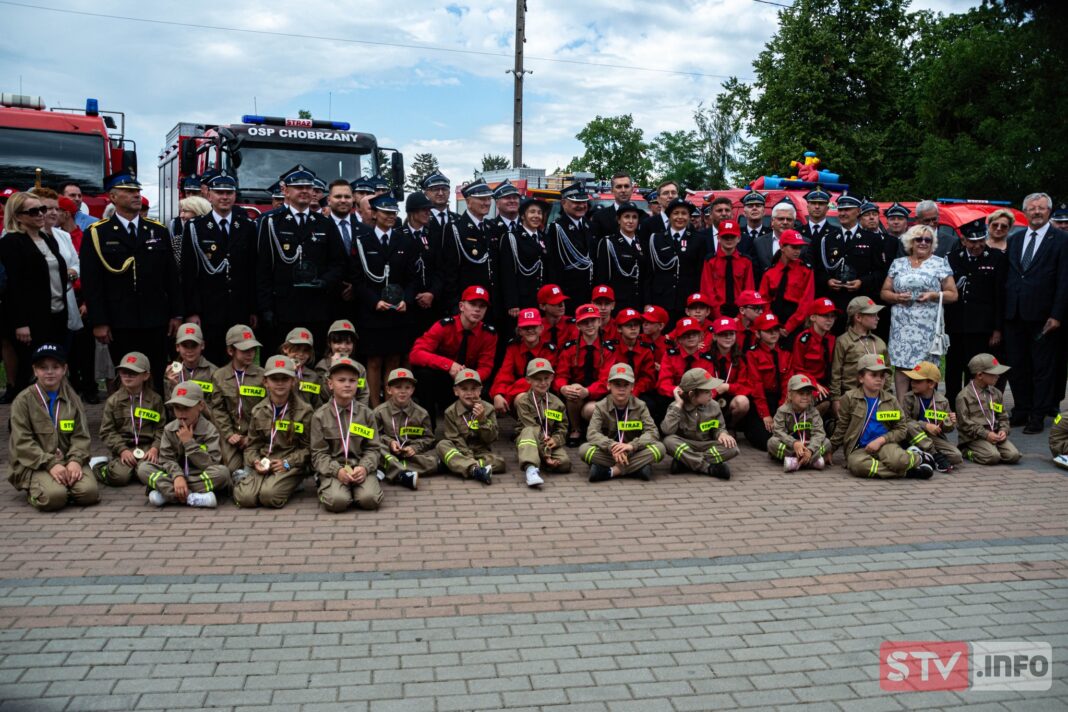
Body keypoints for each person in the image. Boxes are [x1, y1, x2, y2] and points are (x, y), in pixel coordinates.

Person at [80, 174, 181, 387]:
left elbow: (170, 276)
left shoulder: (157, 230)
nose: (136, 194)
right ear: (113, 197)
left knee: (155, 371)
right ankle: (127, 418)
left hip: (155, 317)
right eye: (128, 191)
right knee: (127, 374)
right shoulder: (98, 233)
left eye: (137, 190)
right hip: (119, 319)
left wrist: (175, 313)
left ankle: (156, 418)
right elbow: (92, 282)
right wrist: (99, 321)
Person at [256, 165, 347, 353]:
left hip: (316, 307)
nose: (305, 191)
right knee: (279, 365)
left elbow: (338, 263)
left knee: (312, 362)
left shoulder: (324, 223)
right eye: (299, 187)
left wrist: (324, 282)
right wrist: (265, 308)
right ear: (285, 191)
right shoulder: (270, 222)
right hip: (282, 307)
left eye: (308, 187)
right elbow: (261, 268)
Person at [1004, 193, 1068, 433]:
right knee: (1017, 366)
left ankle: (1038, 415)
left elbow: (1064, 280)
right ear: (1025, 212)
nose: (1037, 212)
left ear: (1049, 211)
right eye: (1032, 208)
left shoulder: (1061, 239)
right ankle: (1021, 409)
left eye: (1041, 208)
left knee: (1042, 368)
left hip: (1044, 317)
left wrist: (1058, 314)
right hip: (1015, 314)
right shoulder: (1016, 238)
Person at [8, 343, 99, 511]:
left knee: (89, 493)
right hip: (35, 464)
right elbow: (22, 442)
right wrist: (50, 464)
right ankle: (41, 489)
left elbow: (81, 436)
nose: (49, 372)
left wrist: (75, 461)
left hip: (67, 460)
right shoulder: (23, 401)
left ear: (64, 369)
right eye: (43, 368)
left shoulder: (73, 399)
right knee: (54, 498)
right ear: (35, 371)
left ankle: (63, 486)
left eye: (55, 367)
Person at [181, 173, 257, 365]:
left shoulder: (248, 226)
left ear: (235, 196)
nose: (224, 197)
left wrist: (254, 308)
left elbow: (253, 270)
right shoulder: (195, 227)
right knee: (211, 360)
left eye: (229, 193)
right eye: (219, 192)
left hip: (239, 308)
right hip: (208, 309)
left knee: (240, 359)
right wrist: (192, 311)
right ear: (209, 196)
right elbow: (188, 273)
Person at [351, 194, 419, 407]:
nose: (390, 217)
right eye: (386, 213)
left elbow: (413, 277)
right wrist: (373, 302)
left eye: (393, 213)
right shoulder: (362, 241)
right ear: (374, 214)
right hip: (373, 311)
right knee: (374, 360)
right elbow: (357, 279)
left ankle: (389, 407)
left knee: (393, 359)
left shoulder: (405, 241)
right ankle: (374, 407)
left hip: (398, 311)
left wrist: (406, 299)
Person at [0, 193, 70, 390]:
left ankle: (51, 417)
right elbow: (13, 286)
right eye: (33, 211)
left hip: (56, 314)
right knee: (28, 372)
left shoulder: (47, 238)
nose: (41, 214)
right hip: (30, 321)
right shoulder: (11, 242)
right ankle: (22, 419)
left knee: (53, 371)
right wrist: (20, 323)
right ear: (17, 216)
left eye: (42, 209)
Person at [880, 224, 959, 398]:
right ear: (910, 242)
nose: (923, 243)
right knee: (901, 367)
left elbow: (953, 294)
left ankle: (925, 410)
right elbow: (884, 292)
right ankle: (902, 410)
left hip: (927, 326)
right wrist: (896, 297)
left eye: (928, 240)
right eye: (919, 239)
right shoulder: (898, 263)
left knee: (925, 368)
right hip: (901, 324)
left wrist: (932, 295)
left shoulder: (939, 263)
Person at [827, 354, 935, 480]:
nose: (879, 379)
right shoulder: (849, 398)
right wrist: (831, 449)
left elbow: (902, 429)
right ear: (861, 378)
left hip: (885, 444)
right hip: (859, 448)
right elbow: (842, 426)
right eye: (873, 375)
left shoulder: (891, 400)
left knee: (898, 461)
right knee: (856, 465)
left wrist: (881, 440)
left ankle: (919, 457)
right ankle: (907, 473)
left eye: (882, 376)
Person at [231, 355, 313, 508]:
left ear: (293, 381)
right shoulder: (258, 411)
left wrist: (288, 463)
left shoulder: (305, 411)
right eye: (275, 379)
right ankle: (250, 479)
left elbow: (310, 449)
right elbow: (252, 446)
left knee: (269, 497)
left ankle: (293, 484)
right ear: (265, 382)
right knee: (245, 498)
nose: (280, 383)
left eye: (285, 378)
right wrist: (255, 461)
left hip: (290, 464)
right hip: (265, 463)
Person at [137, 381, 230, 508]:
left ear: (201, 406)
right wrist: (178, 477)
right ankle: (193, 497)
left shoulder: (210, 430)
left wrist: (189, 443)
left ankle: (168, 494)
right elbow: (166, 459)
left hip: (199, 475)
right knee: (143, 468)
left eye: (186, 408)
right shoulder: (169, 429)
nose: (181, 413)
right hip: (174, 477)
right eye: (177, 408)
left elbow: (211, 463)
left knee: (223, 473)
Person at [409, 285, 498, 417]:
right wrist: (449, 365)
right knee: (424, 374)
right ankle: (428, 425)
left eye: (482, 306)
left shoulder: (489, 334)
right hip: (444, 378)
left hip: (469, 382)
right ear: (461, 306)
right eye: (473, 304)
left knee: (487, 390)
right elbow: (415, 354)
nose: (477, 309)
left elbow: (486, 366)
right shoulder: (444, 326)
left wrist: (469, 377)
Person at [311, 357, 385, 512]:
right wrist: (337, 471)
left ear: (358, 384)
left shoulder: (366, 414)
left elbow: (373, 449)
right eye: (341, 380)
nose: (347, 384)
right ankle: (324, 482)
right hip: (334, 469)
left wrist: (364, 468)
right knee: (337, 503)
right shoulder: (320, 416)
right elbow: (318, 453)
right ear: (330, 384)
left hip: (359, 467)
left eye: (352, 380)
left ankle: (368, 480)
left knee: (370, 500)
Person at [945, 228, 1006, 404]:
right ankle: (953, 404)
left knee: (976, 367)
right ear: (963, 241)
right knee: (954, 367)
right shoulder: (952, 257)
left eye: (981, 241)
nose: (978, 245)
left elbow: (999, 296)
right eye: (972, 242)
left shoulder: (996, 257)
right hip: (955, 323)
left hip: (982, 326)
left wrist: (997, 329)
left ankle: (973, 404)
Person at [581, 363, 665, 483]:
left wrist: (632, 446)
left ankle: (610, 471)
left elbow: (652, 432)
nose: (622, 389)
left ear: (632, 387)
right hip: (610, 452)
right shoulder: (600, 406)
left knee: (660, 448)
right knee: (584, 450)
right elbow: (592, 433)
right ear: (609, 385)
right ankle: (637, 469)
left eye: (626, 385)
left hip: (633, 450)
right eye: (617, 384)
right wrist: (612, 446)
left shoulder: (641, 406)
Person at [91, 351, 165, 486]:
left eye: (133, 372)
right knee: (120, 477)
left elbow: (161, 428)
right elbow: (107, 431)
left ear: (146, 375)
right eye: (124, 372)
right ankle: (99, 467)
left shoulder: (155, 400)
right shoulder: (113, 401)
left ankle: (136, 469)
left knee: (146, 474)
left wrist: (155, 448)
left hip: (148, 448)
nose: (127, 375)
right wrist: (122, 450)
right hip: (124, 448)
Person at [812, 194, 887, 327]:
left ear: (858, 211)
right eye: (840, 210)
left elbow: (880, 272)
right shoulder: (827, 239)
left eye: (847, 210)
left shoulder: (872, 239)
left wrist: (862, 282)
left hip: (861, 302)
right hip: (834, 304)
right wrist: (827, 281)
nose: (843, 213)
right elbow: (818, 270)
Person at [208, 325, 266, 474]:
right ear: (230, 351)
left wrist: (251, 437)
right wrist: (228, 434)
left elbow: (267, 410)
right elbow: (218, 409)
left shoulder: (263, 376)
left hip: (255, 435)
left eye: (253, 349)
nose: (250, 353)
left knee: (257, 466)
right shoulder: (219, 376)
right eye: (245, 350)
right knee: (230, 469)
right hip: (231, 434)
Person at [661, 367, 737, 479]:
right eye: (706, 391)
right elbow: (667, 430)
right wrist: (678, 405)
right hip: (686, 444)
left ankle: (686, 463)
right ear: (692, 394)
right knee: (668, 442)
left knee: (732, 448)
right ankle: (708, 467)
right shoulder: (676, 406)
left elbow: (719, 427)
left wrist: (722, 434)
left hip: (706, 445)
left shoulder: (714, 405)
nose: (711, 394)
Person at [554, 303, 612, 445]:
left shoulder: (609, 350)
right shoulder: (570, 348)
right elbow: (560, 375)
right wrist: (563, 388)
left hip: (599, 394)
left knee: (590, 410)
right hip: (576, 395)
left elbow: (606, 381)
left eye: (593, 320)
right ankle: (575, 429)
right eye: (584, 322)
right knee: (574, 388)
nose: (589, 325)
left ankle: (597, 432)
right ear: (578, 326)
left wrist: (588, 391)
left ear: (599, 322)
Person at [436, 369, 504, 485]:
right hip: (460, 450)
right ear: (456, 391)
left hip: (480, 451)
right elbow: (454, 438)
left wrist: (482, 420)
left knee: (500, 463)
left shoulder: (488, 408)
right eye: (464, 389)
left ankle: (461, 466)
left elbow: (491, 438)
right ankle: (475, 469)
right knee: (442, 445)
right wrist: (468, 456)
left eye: (473, 389)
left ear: (480, 391)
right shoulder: (450, 412)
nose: (469, 393)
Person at [372, 368, 434, 491]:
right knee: (377, 449)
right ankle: (402, 474)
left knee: (433, 462)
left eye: (407, 387)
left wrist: (414, 448)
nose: (403, 391)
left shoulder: (422, 413)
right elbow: (374, 436)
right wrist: (390, 442)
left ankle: (386, 469)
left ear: (413, 390)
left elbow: (429, 439)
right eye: (398, 387)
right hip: (388, 452)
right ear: (389, 390)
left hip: (410, 455)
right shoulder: (379, 412)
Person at [646, 198, 705, 323]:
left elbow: (700, 273)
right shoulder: (656, 239)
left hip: (687, 300)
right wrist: (648, 302)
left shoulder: (698, 240)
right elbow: (649, 273)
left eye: (684, 213)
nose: (680, 217)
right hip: (661, 299)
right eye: (676, 213)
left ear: (689, 217)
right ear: (669, 216)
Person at [515, 358, 571, 487]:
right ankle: (530, 469)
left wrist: (556, 440)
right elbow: (531, 427)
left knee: (564, 463)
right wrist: (546, 453)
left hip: (548, 441)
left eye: (546, 378)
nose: (543, 383)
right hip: (530, 440)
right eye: (537, 379)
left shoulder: (557, 403)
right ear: (528, 380)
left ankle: (541, 461)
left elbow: (562, 427)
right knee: (529, 431)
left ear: (552, 378)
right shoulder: (523, 402)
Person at [441, 179, 497, 309]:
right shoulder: (456, 228)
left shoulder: (491, 227)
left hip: (490, 301)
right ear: (468, 202)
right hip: (468, 302)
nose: (487, 203)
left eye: (488, 199)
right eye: (481, 199)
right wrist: (455, 305)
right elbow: (450, 271)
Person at [955, 354, 1020, 465]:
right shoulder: (964, 396)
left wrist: (1003, 430)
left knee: (1013, 456)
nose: (998, 376)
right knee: (992, 457)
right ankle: (966, 451)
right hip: (974, 437)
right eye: (994, 374)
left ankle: (991, 449)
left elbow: (1003, 416)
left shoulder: (996, 393)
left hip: (994, 434)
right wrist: (986, 434)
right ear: (980, 375)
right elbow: (964, 423)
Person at [491, 308, 555, 413]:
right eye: (525, 328)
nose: (530, 330)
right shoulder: (513, 347)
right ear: (519, 331)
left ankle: (540, 427)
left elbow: (538, 380)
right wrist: (498, 394)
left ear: (541, 328)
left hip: (545, 393)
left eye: (533, 327)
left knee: (524, 398)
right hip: (521, 394)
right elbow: (505, 373)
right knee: (521, 398)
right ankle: (529, 428)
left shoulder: (548, 350)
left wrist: (507, 394)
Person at [830, 297, 889, 414]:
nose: (878, 318)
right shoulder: (843, 341)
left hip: (877, 399)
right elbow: (835, 373)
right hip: (851, 399)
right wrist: (835, 400)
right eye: (873, 314)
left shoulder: (880, 343)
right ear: (858, 317)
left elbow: (887, 373)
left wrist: (886, 395)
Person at [900, 361, 961, 473]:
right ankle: (935, 456)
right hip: (914, 434)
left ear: (931, 384)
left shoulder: (942, 401)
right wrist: (926, 425)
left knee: (956, 456)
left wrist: (950, 422)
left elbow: (948, 429)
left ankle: (923, 456)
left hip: (933, 438)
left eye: (918, 381)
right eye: (912, 380)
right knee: (909, 425)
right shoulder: (908, 397)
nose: (913, 383)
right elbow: (905, 421)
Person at [743, 312, 791, 451]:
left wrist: (781, 412)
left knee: (791, 432)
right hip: (761, 402)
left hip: (781, 401)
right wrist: (766, 415)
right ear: (758, 334)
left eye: (775, 330)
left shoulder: (786, 353)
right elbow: (756, 385)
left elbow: (787, 384)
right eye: (768, 331)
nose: (773, 333)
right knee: (764, 439)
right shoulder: (752, 354)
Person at [545, 182, 596, 308]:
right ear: (563, 203)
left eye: (584, 202)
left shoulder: (589, 226)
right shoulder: (556, 228)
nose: (581, 206)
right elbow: (553, 266)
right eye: (576, 203)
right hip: (567, 293)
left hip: (588, 292)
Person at [499, 197, 550, 322]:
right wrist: (512, 302)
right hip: (522, 299)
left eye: (539, 213)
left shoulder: (545, 238)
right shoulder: (512, 238)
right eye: (532, 212)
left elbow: (549, 269)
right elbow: (507, 272)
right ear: (522, 215)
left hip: (541, 299)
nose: (536, 216)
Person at [759, 228, 814, 337]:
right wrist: (771, 323)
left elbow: (806, 303)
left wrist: (789, 327)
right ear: (782, 247)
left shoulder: (806, 271)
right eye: (793, 247)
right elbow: (764, 300)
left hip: (795, 321)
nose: (797, 251)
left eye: (799, 248)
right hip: (772, 320)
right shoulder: (770, 272)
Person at [767, 374, 829, 472]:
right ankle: (811, 462)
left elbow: (819, 433)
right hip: (790, 446)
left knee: (827, 443)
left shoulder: (813, 412)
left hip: (808, 445)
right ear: (790, 395)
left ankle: (796, 462)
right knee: (772, 443)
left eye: (808, 393)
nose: (805, 397)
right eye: (801, 393)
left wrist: (810, 450)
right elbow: (778, 431)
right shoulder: (782, 411)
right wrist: (794, 443)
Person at [789, 298, 838, 421]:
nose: (830, 320)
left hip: (829, 384)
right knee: (824, 401)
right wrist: (813, 383)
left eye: (832, 316)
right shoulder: (803, 339)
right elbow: (797, 367)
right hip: (808, 383)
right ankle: (806, 428)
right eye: (825, 316)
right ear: (813, 317)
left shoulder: (833, 339)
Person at [401, 191, 442, 332]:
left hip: (431, 302)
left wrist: (432, 293)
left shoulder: (434, 236)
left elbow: (440, 269)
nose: (428, 213)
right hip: (407, 303)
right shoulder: (399, 235)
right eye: (424, 209)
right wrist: (411, 296)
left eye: (429, 210)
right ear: (412, 211)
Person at [593, 201, 645, 312]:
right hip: (617, 302)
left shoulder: (642, 243)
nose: (630, 221)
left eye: (634, 217)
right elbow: (602, 276)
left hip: (638, 301)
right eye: (626, 217)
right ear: (618, 220)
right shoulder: (608, 242)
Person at [700, 219, 753, 319]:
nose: (729, 240)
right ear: (719, 238)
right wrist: (719, 316)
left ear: (739, 238)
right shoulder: (710, 261)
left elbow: (749, 291)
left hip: (740, 314)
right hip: (716, 314)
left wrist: (740, 316)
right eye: (725, 237)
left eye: (732, 237)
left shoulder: (746, 261)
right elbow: (707, 291)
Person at [705, 317, 753, 429]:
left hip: (729, 399)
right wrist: (714, 390)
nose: (728, 337)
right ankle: (709, 429)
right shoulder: (706, 356)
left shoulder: (740, 358)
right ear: (715, 337)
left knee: (743, 402)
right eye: (723, 334)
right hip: (709, 398)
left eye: (731, 334)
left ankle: (731, 426)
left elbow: (747, 386)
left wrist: (727, 387)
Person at [163, 322, 217, 406]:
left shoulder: (214, 372)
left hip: (205, 418)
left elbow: (216, 412)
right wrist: (174, 387)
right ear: (177, 347)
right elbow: (169, 410)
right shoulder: (172, 372)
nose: (189, 350)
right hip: (179, 418)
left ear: (202, 345)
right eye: (185, 345)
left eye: (194, 345)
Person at [281, 327, 327, 408]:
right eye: (296, 349)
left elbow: (317, 405)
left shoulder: (313, 376)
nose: (301, 353)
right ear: (285, 348)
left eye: (306, 350)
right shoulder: (275, 372)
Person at [591, 173, 642, 239]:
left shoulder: (643, 217)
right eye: (619, 187)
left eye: (626, 186)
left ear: (632, 190)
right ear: (612, 190)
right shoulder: (599, 217)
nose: (623, 190)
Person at [421, 171, 459, 254]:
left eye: (444, 189)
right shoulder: (419, 220)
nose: (441, 193)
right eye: (436, 189)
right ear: (426, 193)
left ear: (449, 193)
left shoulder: (458, 220)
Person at [173, 195, 212, 267]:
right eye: (181, 211)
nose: (181, 216)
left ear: (199, 212)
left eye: (185, 211)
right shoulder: (178, 240)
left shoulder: (215, 238)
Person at [538, 283, 577, 351]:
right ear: (543, 306)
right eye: (555, 302)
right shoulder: (537, 328)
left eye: (562, 301)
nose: (562, 305)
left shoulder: (572, 325)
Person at [737, 190, 769, 259]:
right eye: (750, 206)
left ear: (764, 212)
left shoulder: (771, 234)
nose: (754, 208)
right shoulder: (737, 235)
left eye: (758, 206)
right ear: (744, 213)